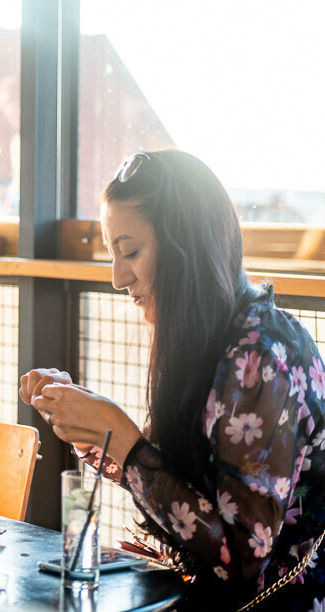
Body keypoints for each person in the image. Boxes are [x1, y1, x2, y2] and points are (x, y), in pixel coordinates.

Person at [21, 150, 325, 608]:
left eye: (131, 251)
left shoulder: (259, 357)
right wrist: (85, 418)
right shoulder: (212, 336)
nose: (118, 277)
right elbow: (167, 480)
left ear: (187, 248)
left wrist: (123, 441)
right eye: (112, 253)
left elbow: (241, 558)